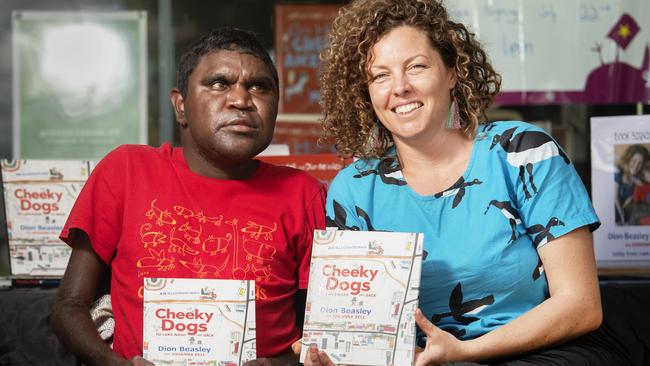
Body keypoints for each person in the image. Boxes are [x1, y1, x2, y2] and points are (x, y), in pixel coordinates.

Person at [303, 0, 630, 365]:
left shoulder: (521, 153)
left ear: (452, 72)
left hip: (547, 353)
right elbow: (362, 323)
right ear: (366, 93)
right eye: (380, 76)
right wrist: (332, 345)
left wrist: (464, 352)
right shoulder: (354, 188)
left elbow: (581, 306)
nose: (400, 87)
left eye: (417, 67)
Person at [51, 27, 326, 365]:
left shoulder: (304, 194)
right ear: (180, 107)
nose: (241, 99)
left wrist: (276, 365)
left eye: (260, 86)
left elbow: (322, 337)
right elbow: (69, 306)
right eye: (218, 83)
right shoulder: (127, 170)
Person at [615, 144, 648, 224]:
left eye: (640, 163)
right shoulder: (618, 173)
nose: (636, 166)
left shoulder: (640, 179)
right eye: (634, 161)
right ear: (628, 159)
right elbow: (615, 198)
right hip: (617, 213)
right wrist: (621, 214)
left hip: (631, 217)